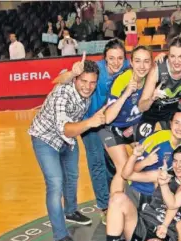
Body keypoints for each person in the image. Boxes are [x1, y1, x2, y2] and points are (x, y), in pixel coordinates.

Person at [28, 60, 105, 241]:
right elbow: (66, 129)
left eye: (92, 82)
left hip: (66, 140)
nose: (87, 86)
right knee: (55, 184)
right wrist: (91, 122)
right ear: (75, 79)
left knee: (72, 176)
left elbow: (60, 77)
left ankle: (70, 211)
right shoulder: (63, 94)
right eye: (83, 81)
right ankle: (60, 236)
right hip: (45, 139)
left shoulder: (83, 89)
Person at [54, 39, 130, 225]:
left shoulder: (127, 67)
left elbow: (150, 63)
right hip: (89, 123)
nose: (116, 62)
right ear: (104, 58)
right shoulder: (94, 68)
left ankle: (117, 199)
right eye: (111, 58)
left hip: (109, 123)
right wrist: (73, 72)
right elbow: (59, 79)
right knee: (96, 163)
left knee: (114, 163)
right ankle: (104, 207)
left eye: (120, 58)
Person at [98, 46, 153, 195]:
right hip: (110, 128)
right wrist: (126, 93)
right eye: (138, 61)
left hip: (133, 126)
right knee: (123, 169)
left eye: (146, 61)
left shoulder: (151, 78)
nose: (142, 66)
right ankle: (114, 208)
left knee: (149, 158)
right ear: (131, 62)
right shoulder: (122, 80)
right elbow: (108, 118)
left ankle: (141, 200)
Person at [121, 110, 181, 209]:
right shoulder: (157, 138)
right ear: (170, 124)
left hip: (158, 195)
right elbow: (128, 172)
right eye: (177, 123)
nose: (180, 128)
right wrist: (145, 162)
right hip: (137, 189)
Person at [138, 37, 181, 134]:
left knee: (178, 145)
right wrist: (152, 98)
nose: (176, 61)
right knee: (145, 146)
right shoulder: (157, 70)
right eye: (172, 56)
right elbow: (141, 107)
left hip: (172, 111)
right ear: (168, 55)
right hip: (152, 111)